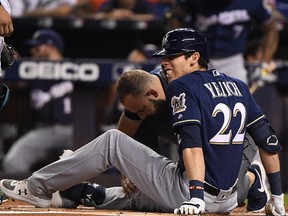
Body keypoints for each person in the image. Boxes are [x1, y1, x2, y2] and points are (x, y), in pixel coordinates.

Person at [0, 28, 285, 216]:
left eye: (172, 57)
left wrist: (195, 196)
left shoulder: (183, 89)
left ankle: (38, 187)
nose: (166, 63)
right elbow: (268, 140)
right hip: (227, 192)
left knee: (117, 143)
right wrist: (278, 196)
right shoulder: (232, 84)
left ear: (194, 57)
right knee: (158, 179)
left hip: (203, 179)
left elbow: (195, 148)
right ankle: (90, 194)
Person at [1, 29, 74, 174]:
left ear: (50, 46)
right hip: (44, 130)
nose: (33, 51)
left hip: (76, 131)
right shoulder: (32, 70)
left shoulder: (75, 66)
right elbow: (15, 83)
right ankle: (27, 195)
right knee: (12, 163)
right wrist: (14, 62)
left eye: (37, 46)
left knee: (93, 164)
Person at [9, 0, 77, 17]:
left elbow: (64, 11)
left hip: (56, 29)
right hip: (26, 29)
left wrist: (31, 14)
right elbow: (16, 16)